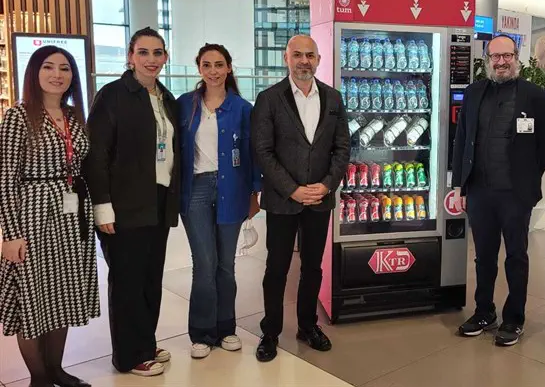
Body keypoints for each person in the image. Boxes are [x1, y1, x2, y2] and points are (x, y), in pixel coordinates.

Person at [0, 46, 99, 387]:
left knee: (63, 294)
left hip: (72, 216)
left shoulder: (74, 116)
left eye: (65, 68)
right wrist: (11, 235)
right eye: (48, 67)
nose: (57, 74)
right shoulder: (18, 116)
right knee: (33, 296)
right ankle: (39, 377)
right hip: (33, 215)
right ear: (34, 73)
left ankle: (56, 369)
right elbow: (6, 179)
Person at [452, 35, 545, 346]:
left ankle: (514, 318)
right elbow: (462, 139)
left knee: (516, 256)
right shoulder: (474, 93)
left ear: (516, 57)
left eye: (506, 56)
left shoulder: (535, 96)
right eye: (495, 57)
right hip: (480, 191)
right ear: (488, 59)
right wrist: (460, 185)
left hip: (515, 194)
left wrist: (528, 175)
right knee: (483, 256)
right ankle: (484, 312)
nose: (501, 62)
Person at [86, 27, 180, 377]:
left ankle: (145, 342)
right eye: (143, 52)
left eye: (157, 53)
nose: (151, 60)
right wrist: (102, 206)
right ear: (130, 56)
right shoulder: (112, 95)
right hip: (124, 204)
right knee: (127, 281)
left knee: (150, 278)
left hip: (158, 200)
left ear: (165, 57)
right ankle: (128, 356)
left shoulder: (166, 98)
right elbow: (96, 154)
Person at [252, 35, 350, 362]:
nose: (304, 61)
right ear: (287, 58)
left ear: (318, 59)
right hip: (283, 200)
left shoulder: (333, 98)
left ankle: (308, 326)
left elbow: (342, 148)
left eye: (310, 55)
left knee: (312, 267)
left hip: (319, 199)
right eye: (297, 55)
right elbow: (263, 151)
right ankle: (270, 331)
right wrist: (292, 188)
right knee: (277, 267)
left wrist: (327, 185)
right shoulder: (269, 99)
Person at [178, 44, 261, 359]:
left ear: (228, 68)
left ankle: (226, 328)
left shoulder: (242, 108)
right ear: (199, 68)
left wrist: (254, 193)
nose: (213, 71)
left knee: (226, 265)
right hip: (196, 189)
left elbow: (252, 154)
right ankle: (201, 332)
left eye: (219, 64)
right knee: (204, 263)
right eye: (206, 64)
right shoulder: (185, 105)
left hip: (233, 188)